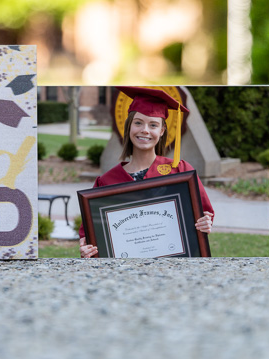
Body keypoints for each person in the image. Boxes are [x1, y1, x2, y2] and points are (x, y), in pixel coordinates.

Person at [79, 86, 214, 258]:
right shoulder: (106, 181)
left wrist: (205, 224)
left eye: (153, 125)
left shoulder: (179, 171)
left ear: (162, 130)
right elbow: (91, 235)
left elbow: (203, 214)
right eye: (138, 122)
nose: (145, 130)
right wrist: (88, 250)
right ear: (128, 127)